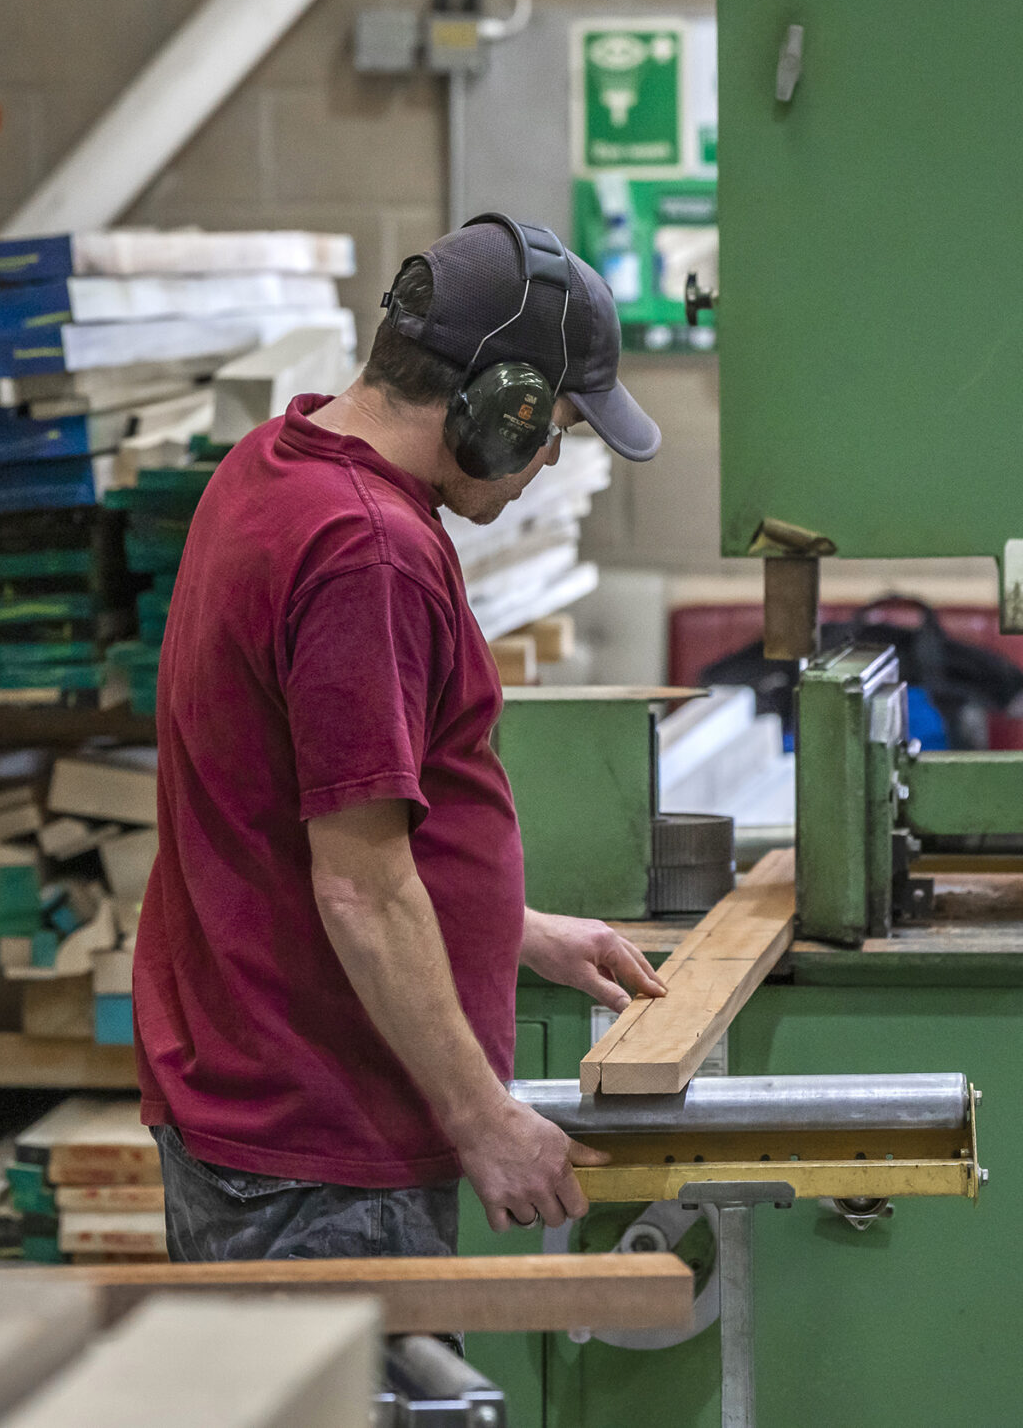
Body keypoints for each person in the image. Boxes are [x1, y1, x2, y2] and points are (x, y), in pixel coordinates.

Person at [135, 213, 669, 1262]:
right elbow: (361, 887)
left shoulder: (271, 466)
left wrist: (508, 927)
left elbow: (289, 807)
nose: (544, 462)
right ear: (502, 406)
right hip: (320, 1150)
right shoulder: (366, 553)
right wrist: (484, 1119)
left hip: (268, 1109)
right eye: (554, 429)